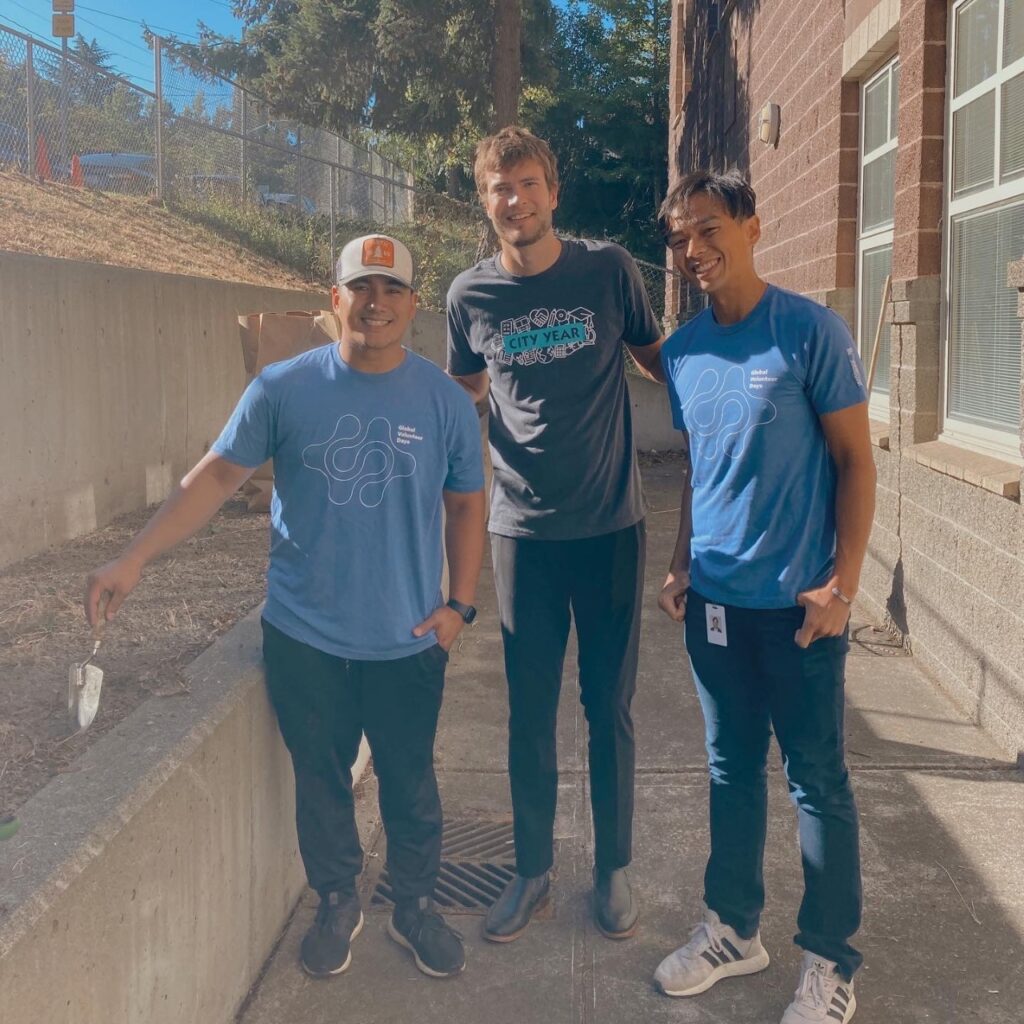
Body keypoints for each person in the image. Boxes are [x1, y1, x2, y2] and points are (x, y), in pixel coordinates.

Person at [84, 235, 486, 981]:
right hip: (304, 637)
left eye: (391, 289)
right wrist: (133, 557)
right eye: (359, 287)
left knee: (408, 780)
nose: (375, 302)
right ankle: (338, 899)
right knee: (321, 778)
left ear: (412, 305)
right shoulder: (282, 388)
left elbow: (467, 506)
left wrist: (459, 605)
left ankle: (416, 907)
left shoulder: (443, 401)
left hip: (405, 641)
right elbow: (214, 477)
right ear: (333, 301)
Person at [651, 170, 875, 1024]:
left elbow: (856, 462)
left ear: (752, 226)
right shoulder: (682, 351)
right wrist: (679, 564)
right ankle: (734, 931)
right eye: (680, 239)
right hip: (714, 604)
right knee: (729, 770)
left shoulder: (810, 332)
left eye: (708, 229)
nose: (695, 250)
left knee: (817, 781)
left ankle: (829, 962)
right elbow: (699, 474)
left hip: (799, 609)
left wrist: (842, 586)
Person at [446, 127, 664, 943]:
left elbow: (657, 361)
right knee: (529, 713)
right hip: (522, 534)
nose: (517, 199)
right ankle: (532, 869)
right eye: (501, 187)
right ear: (485, 199)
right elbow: (462, 393)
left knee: (608, 707)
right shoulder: (469, 297)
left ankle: (613, 869)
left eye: (529, 183)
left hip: (610, 525)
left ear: (553, 191)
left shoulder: (608, 271)